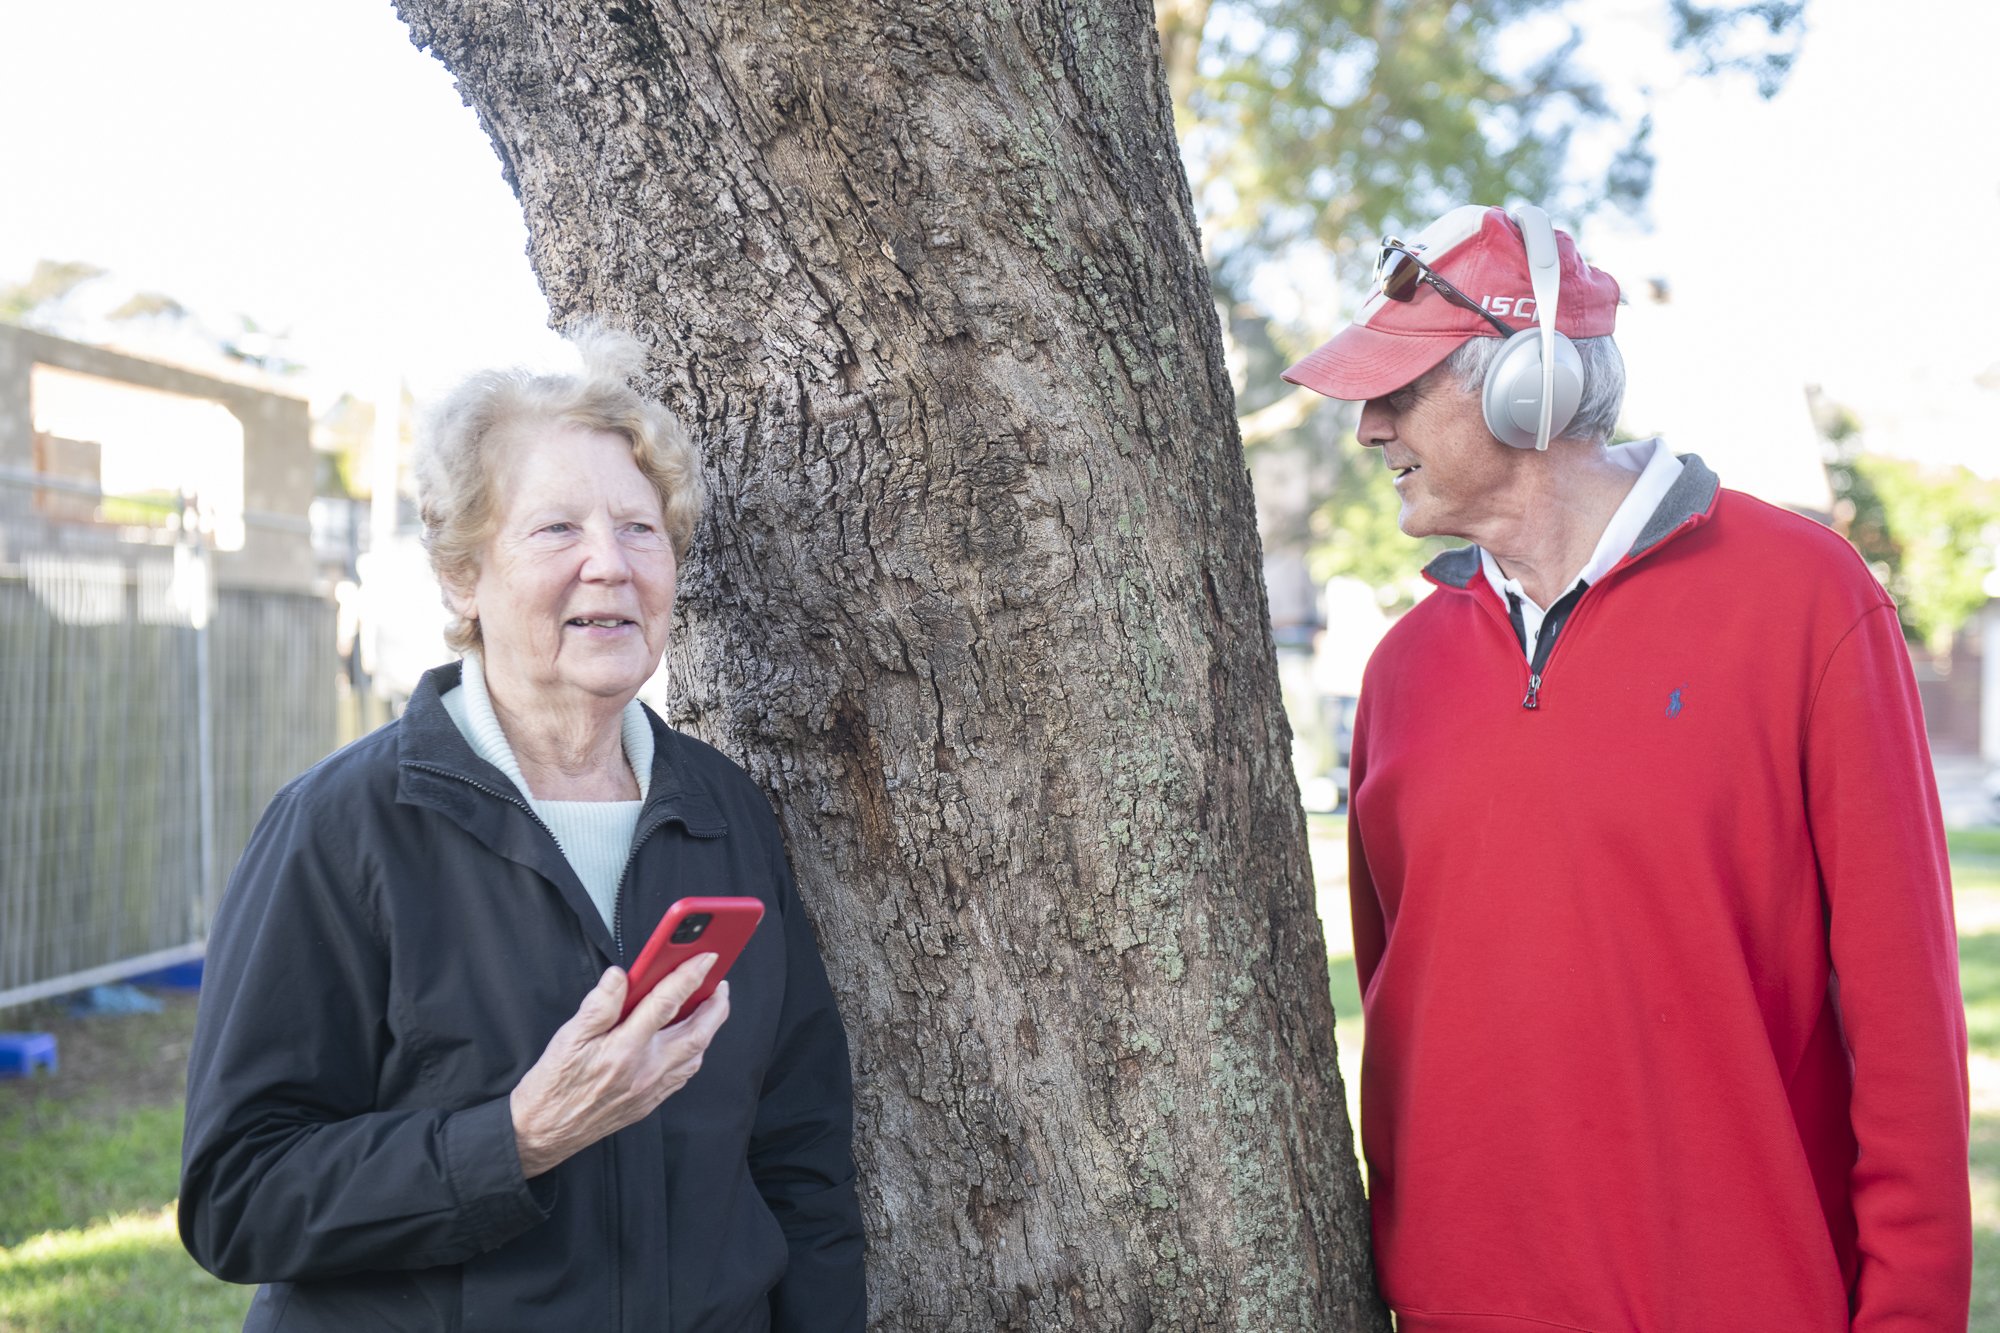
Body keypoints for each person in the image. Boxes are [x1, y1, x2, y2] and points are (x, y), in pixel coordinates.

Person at [1283, 204, 1970, 1328]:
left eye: (1398, 392)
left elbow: (1904, 1023)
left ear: (1528, 388)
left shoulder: (1803, 599)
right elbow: (1395, 1007)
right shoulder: (1403, 668)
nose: (1367, 429)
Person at [179, 330, 865, 1331]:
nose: (610, 564)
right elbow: (237, 1196)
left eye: (641, 528)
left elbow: (800, 1162)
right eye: (556, 530)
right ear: (462, 573)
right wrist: (516, 1138)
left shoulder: (725, 815)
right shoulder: (341, 829)